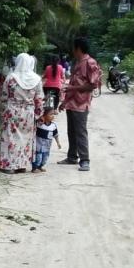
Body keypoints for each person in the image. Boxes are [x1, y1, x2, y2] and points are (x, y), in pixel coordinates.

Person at [59, 36, 101, 172]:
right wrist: (64, 101)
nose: (72, 50)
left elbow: (92, 85)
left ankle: (85, 160)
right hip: (71, 103)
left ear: (78, 48)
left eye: (73, 48)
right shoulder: (77, 63)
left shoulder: (90, 63)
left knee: (80, 132)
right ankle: (72, 157)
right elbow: (72, 83)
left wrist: (73, 89)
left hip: (81, 104)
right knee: (71, 131)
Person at [0, 53, 44, 174]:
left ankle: (9, 166)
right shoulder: (36, 79)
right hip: (28, 113)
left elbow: (4, 96)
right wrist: (38, 115)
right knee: (25, 139)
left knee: (10, 137)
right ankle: (21, 165)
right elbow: (39, 100)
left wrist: (7, 104)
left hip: (12, 111)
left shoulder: (11, 77)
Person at [32, 107, 61, 172]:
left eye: (53, 114)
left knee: (45, 158)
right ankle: (34, 167)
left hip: (47, 146)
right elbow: (35, 121)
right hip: (38, 146)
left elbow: (55, 135)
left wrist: (58, 143)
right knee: (38, 157)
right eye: (50, 114)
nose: (52, 116)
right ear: (44, 115)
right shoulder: (39, 124)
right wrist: (40, 119)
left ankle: (40, 166)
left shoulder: (53, 126)